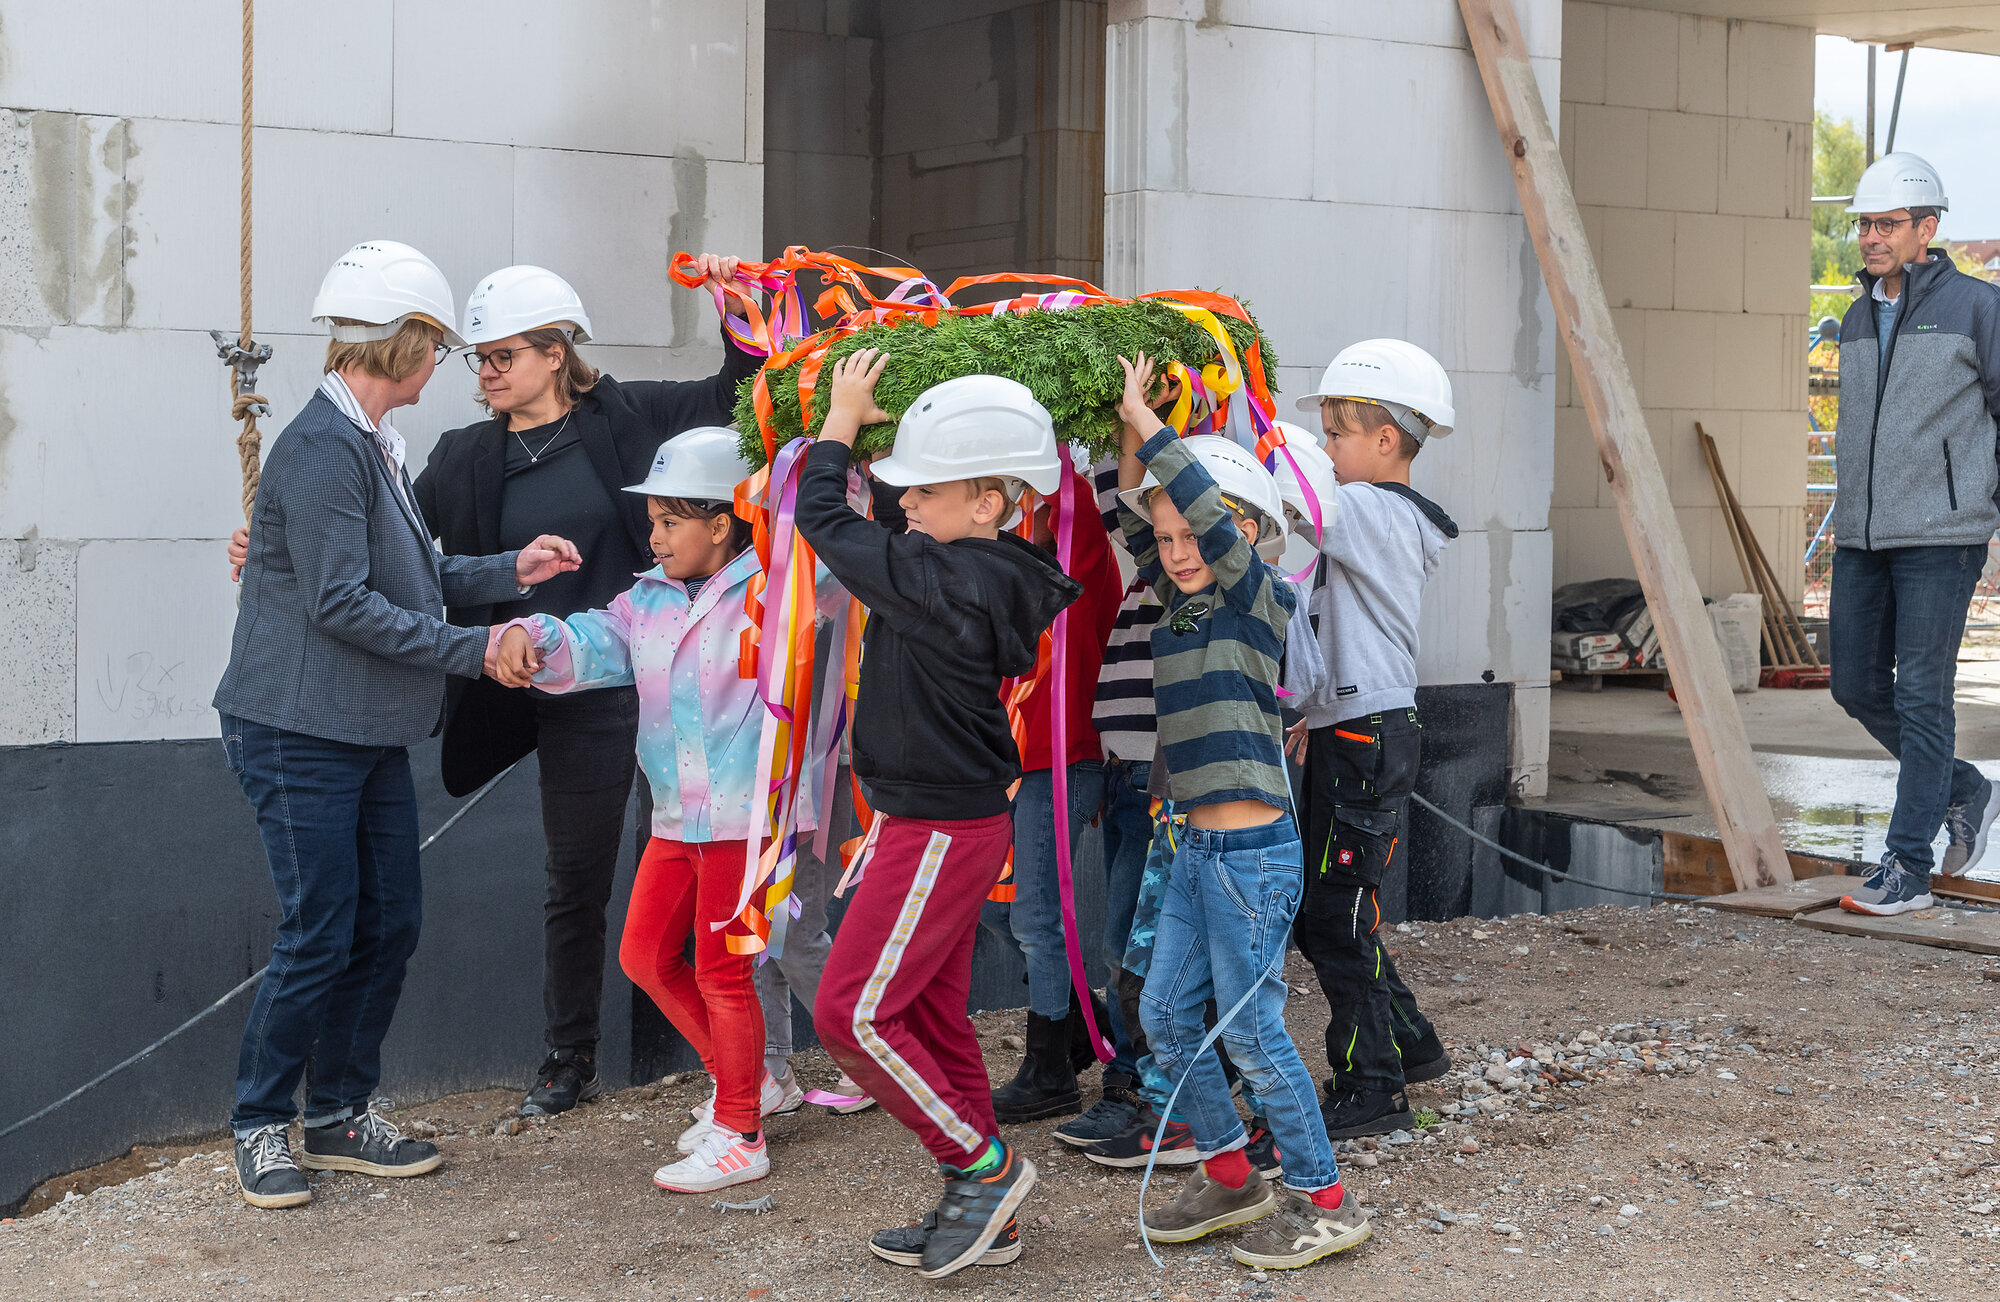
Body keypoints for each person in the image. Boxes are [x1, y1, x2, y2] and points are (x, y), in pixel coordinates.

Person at [231, 257, 765, 1113]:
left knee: (632, 872)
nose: (482, 371)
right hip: (512, 678)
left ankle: (728, 1066)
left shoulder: (626, 416)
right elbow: (391, 558)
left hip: (624, 683)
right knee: (567, 880)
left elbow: (736, 392)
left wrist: (738, 301)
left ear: (556, 353)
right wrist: (277, 545)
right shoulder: (454, 454)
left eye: (500, 355)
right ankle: (571, 1057)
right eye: (472, 356)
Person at [213, 240, 580, 1210]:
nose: (449, 366)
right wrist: (478, 652)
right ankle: (260, 1122)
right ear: (409, 346)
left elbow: (405, 579)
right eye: (444, 348)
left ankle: (336, 1113)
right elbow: (343, 605)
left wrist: (509, 573)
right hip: (296, 730)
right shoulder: (322, 450)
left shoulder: (371, 443)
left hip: (357, 728)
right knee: (322, 926)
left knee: (390, 921)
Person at [796, 351, 1078, 1280]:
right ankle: (981, 1208)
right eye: (903, 487)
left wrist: (841, 424)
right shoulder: (979, 572)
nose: (905, 503)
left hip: (933, 830)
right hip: (942, 822)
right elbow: (874, 525)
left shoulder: (941, 579)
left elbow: (823, 515)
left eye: (925, 489)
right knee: (934, 1016)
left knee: (853, 1015)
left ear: (990, 501)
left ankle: (983, 1170)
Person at [1113, 353, 1368, 1272]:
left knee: (1253, 1030)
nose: (1180, 551)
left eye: (1197, 537)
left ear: (1257, 537)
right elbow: (1131, 514)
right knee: (1169, 1015)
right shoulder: (1173, 611)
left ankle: (1325, 1199)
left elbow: (1210, 521)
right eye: (1168, 539)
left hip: (1254, 854)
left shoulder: (1259, 599)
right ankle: (1230, 1176)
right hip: (1191, 850)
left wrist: (1151, 421)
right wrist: (1119, 429)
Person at [490, 428, 789, 1193]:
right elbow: (594, 638)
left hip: (737, 823)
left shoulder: (778, 591)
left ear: (721, 523)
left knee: (724, 975)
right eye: (651, 521)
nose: (652, 536)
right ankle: (743, 1087)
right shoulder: (646, 599)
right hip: (674, 818)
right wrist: (534, 632)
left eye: (668, 522)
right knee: (646, 956)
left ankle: (742, 1131)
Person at [1283, 341, 1458, 1140]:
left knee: (1335, 917)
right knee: (1337, 909)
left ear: (1387, 440)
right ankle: (1410, 1043)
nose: (1326, 447)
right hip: (1347, 728)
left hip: (1367, 733)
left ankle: (1372, 1085)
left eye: (1339, 433)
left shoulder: (1377, 513)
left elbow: (1298, 494)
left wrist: (1238, 425)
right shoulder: (1375, 514)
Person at [1824, 153, 2000, 916]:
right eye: (1865, 223)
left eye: (1888, 223)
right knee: (1855, 684)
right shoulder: (1859, 314)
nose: (1872, 236)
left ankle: (1907, 868)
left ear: (1928, 229)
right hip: (1864, 536)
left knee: (1923, 695)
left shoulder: (1977, 308)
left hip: (1943, 533)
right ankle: (1965, 789)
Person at [984, 459, 1123, 1124]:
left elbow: (1065, 505)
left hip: (1062, 757)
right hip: (1015, 758)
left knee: (1037, 916)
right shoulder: (1010, 566)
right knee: (1005, 912)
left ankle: (1051, 1071)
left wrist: (1046, 456)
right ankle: (1080, 1029)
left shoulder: (1078, 544)